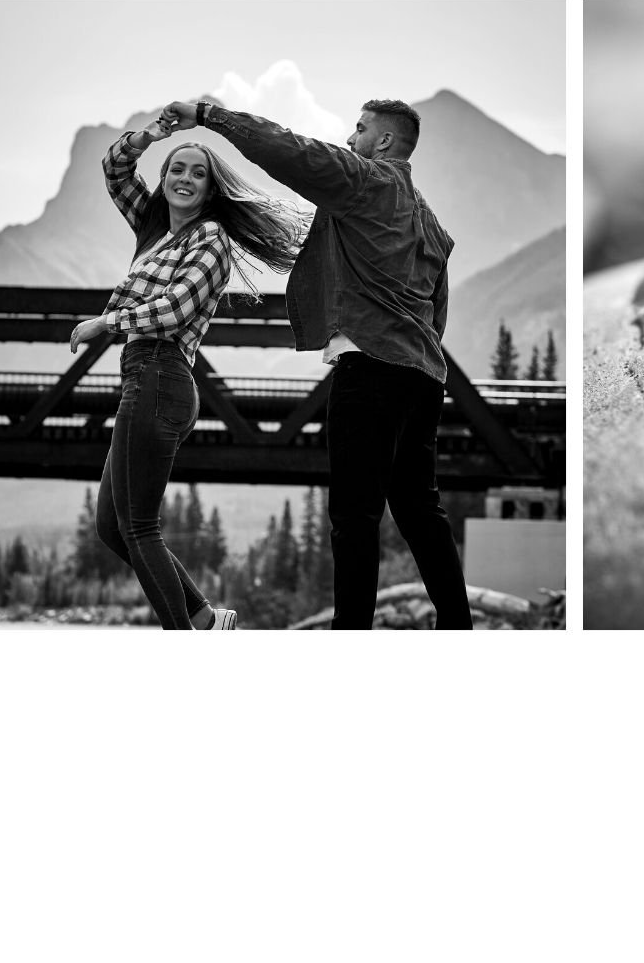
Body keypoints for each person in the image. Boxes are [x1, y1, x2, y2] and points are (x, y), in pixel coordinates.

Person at [161, 96, 471, 629]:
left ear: (385, 142)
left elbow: (289, 150)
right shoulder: (431, 222)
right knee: (421, 512)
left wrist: (209, 116)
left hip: (370, 371)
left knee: (355, 517)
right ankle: (458, 628)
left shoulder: (366, 182)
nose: (351, 139)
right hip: (422, 380)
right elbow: (437, 312)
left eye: (360, 129)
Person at [67, 117, 303, 629]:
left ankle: (185, 636)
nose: (184, 178)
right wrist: (148, 137)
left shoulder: (211, 238)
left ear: (210, 187)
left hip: (162, 375)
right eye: (177, 168)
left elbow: (176, 308)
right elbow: (114, 170)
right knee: (113, 527)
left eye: (198, 173)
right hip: (143, 377)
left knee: (139, 525)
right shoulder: (153, 226)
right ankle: (203, 619)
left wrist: (106, 322)